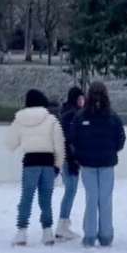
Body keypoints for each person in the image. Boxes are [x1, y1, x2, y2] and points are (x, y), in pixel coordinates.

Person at [4, 89, 66, 246]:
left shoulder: (19, 119)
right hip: (48, 163)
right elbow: (59, 144)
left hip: (30, 162)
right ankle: (47, 232)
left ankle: (21, 232)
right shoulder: (51, 119)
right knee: (46, 199)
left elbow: (10, 143)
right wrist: (58, 166)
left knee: (26, 198)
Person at [70, 82, 125, 247]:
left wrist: (79, 155)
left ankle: (90, 235)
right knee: (105, 199)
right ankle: (106, 236)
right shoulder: (113, 116)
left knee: (91, 198)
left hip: (88, 164)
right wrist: (112, 151)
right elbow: (121, 139)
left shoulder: (81, 116)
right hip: (106, 163)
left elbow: (73, 139)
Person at [55, 86, 85, 241]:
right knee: (70, 190)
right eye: (80, 98)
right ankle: (62, 225)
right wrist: (73, 159)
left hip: (68, 158)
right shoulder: (72, 114)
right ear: (75, 99)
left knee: (70, 190)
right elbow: (69, 139)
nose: (82, 101)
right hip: (69, 159)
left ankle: (64, 224)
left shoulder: (68, 112)